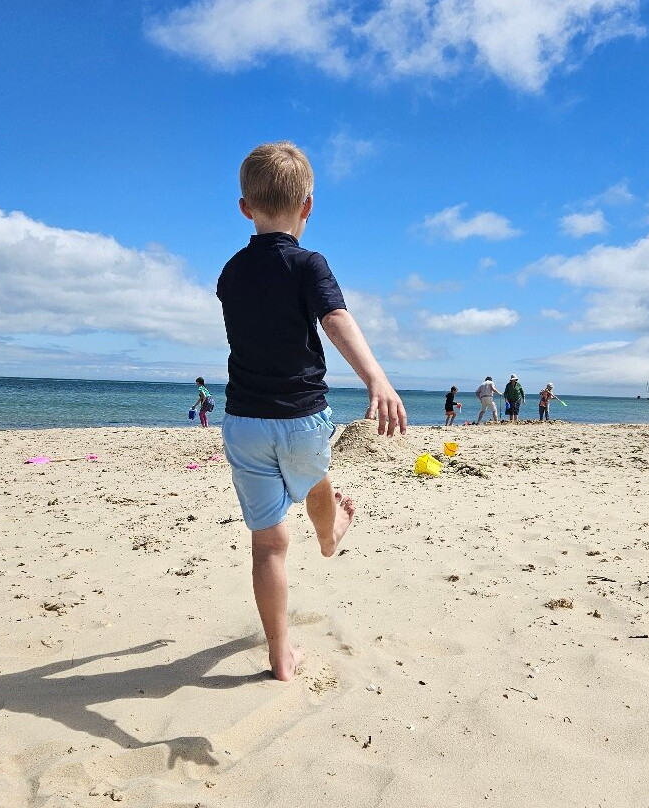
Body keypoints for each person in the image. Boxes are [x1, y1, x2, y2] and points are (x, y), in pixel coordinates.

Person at [217, 141, 407, 681]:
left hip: (244, 422)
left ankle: (280, 656)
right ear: (308, 206)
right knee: (317, 484)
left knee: (269, 546)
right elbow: (335, 317)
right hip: (300, 418)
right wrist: (377, 378)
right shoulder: (308, 263)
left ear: (245, 207)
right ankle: (329, 534)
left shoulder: (231, 272)